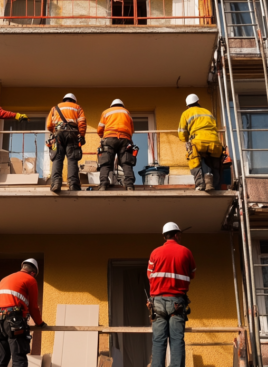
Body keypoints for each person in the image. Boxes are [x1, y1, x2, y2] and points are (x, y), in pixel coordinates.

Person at [147, 223, 196, 367]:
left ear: (164, 236)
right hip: (176, 303)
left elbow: (149, 275)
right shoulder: (186, 252)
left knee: (158, 341)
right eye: (179, 234)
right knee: (176, 340)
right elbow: (192, 274)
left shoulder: (155, 253)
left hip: (157, 304)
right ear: (176, 235)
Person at [0, 259, 47, 367]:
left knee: (1, 361)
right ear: (33, 273)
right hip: (14, 322)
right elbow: (33, 307)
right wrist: (40, 323)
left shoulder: (5, 279)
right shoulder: (30, 279)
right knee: (19, 360)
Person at [178, 94, 224, 191]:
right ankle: (214, 184)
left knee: (195, 161)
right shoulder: (208, 112)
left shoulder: (186, 113)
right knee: (214, 163)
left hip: (198, 141)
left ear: (187, 105)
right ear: (198, 102)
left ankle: (201, 184)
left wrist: (186, 140)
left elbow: (182, 132)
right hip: (214, 142)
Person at [46, 93, 87, 192]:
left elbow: (48, 125)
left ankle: (56, 183)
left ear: (64, 99)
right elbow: (82, 123)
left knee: (57, 158)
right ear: (74, 100)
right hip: (72, 134)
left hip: (58, 135)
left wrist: (55, 132)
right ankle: (73, 185)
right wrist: (81, 135)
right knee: (72, 159)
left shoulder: (55, 108)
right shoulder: (78, 107)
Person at [96, 99, 136, 191]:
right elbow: (132, 130)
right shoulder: (127, 112)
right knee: (126, 163)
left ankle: (103, 184)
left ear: (111, 105)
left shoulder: (106, 112)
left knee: (105, 163)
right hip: (125, 139)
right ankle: (129, 185)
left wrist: (103, 136)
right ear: (122, 105)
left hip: (109, 139)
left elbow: (100, 129)